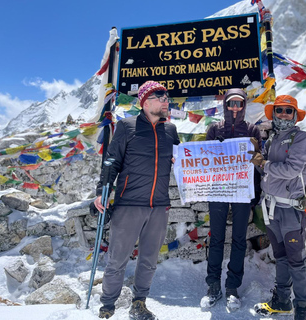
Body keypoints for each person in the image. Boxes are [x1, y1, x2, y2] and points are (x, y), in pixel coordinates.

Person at [94, 81, 180, 319]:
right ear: (145, 101)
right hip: (129, 203)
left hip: (159, 205)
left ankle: (139, 303)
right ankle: (107, 306)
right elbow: (112, 160)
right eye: (160, 96)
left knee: (149, 260)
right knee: (117, 259)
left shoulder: (171, 131)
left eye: (166, 97)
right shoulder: (126, 126)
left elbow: (186, 161)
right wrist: (102, 190)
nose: (166, 101)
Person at [250, 95, 306, 320]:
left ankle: (302, 310)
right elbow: (267, 174)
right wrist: (258, 160)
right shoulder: (272, 139)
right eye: (279, 110)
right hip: (271, 209)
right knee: (282, 257)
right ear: (273, 114)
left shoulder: (301, 138)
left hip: (290, 210)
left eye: (288, 110)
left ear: (295, 115)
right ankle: (283, 301)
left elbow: (292, 170)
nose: (283, 114)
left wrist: (264, 163)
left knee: (297, 260)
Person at [200, 88, 262, 311]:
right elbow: (203, 159)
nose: (235, 108)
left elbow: (257, 164)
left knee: (238, 239)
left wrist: (255, 194)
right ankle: (213, 285)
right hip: (218, 190)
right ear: (225, 105)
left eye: (239, 104)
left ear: (244, 106)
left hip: (243, 192)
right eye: (231, 104)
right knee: (216, 238)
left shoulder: (253, 130)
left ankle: (233, 288)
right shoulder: (214, 129)